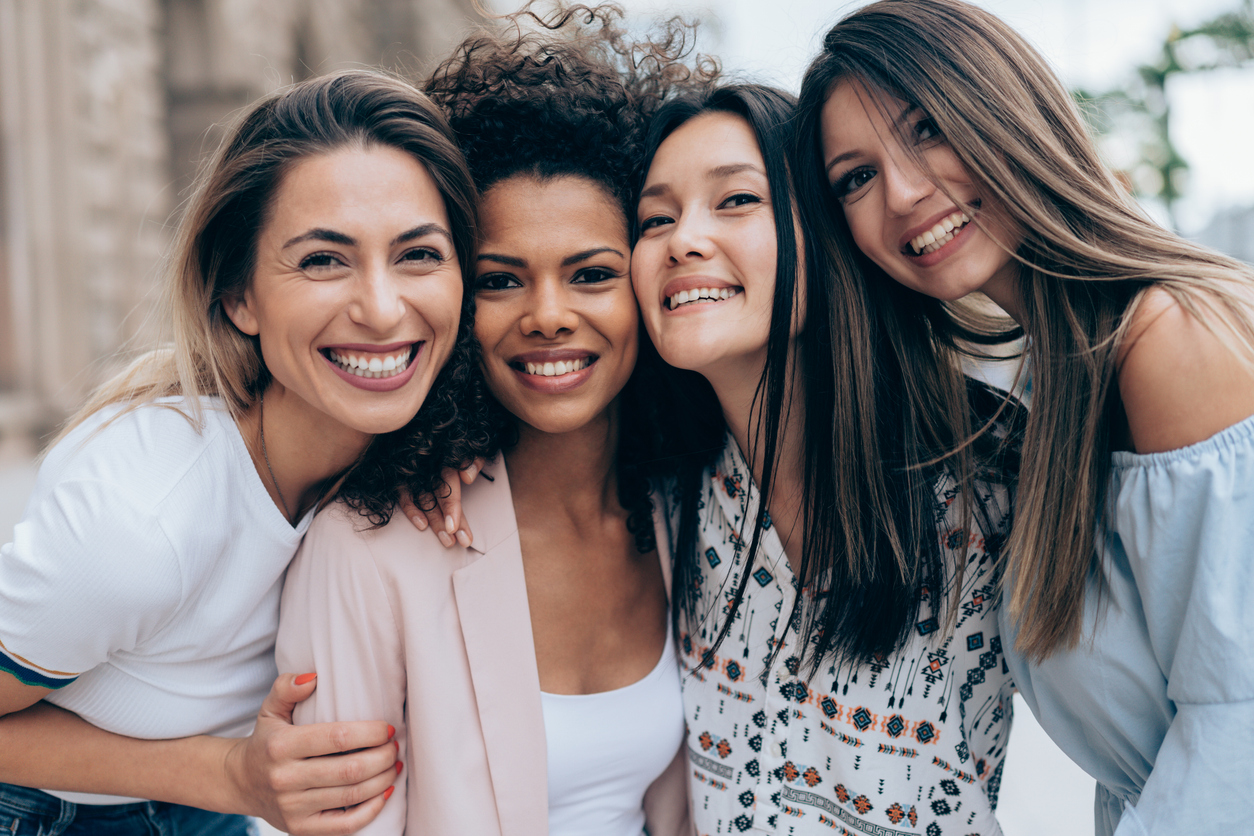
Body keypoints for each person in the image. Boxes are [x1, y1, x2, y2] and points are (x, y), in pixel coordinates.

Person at [795, 0, 1254, 833]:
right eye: (855, 178)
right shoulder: (1064, 379)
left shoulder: (1170, 343)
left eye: (928, 127)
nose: (903, 192)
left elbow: (1239, 733)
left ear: (1006, 109)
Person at [0, 69, 487, 835]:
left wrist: (448, 463)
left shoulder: (398, 443)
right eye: (324, 260)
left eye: (419, 255)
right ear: (240, 297)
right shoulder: (142, 522)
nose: (384, 307)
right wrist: (226, 774)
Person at [275, 6, 706, 834]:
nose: (547, 316)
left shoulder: (681, 509)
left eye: (590, 274)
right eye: (501, 280)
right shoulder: (371, 549)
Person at [631, 82, 1022, 836]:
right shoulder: (664, 492)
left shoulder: (992, 470)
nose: (683, 239)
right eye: (655, 217)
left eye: (736, 200)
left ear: (826, 232)